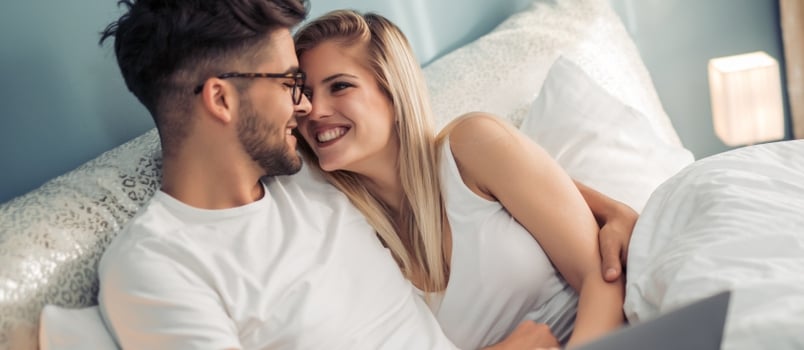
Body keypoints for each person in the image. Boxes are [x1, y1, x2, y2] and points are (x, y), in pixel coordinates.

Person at [95, 0, 465, 348]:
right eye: (289, 84)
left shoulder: (316, 173)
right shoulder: (156, 265)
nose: (305, 107)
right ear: (221, 99)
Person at [293, 10, 630, 349]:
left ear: (394, 92)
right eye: (303, 95)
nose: (314, 110)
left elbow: (603, 277)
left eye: (340, 86)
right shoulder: (349, 240)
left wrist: (611, 209)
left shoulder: (473, 145)